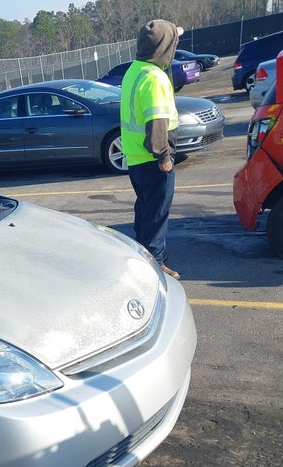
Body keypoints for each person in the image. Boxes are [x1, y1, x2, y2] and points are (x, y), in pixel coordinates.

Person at [120, 19, 183, 280]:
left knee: (145, 208)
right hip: (152, 158)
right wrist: (164, 156)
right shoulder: (154, 77)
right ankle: (155, 262)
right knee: (157, 212)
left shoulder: (134, 70)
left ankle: (143, 251)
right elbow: (156, 123)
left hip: (135, 158)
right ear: (164, 46)